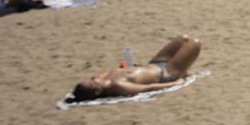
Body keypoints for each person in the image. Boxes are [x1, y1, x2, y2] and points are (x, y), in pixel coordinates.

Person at [70, 36, 202, 101]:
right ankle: (181, 71)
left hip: (155, 63)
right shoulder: (118, 86)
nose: (92, 78)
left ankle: (184, 70)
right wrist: (174, 83)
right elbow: (147, 88)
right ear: (97, 92)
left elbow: (102, 75)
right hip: (167, 72)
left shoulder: (105, 78)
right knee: (195, 43)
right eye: (91, 82)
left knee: (183, 38)